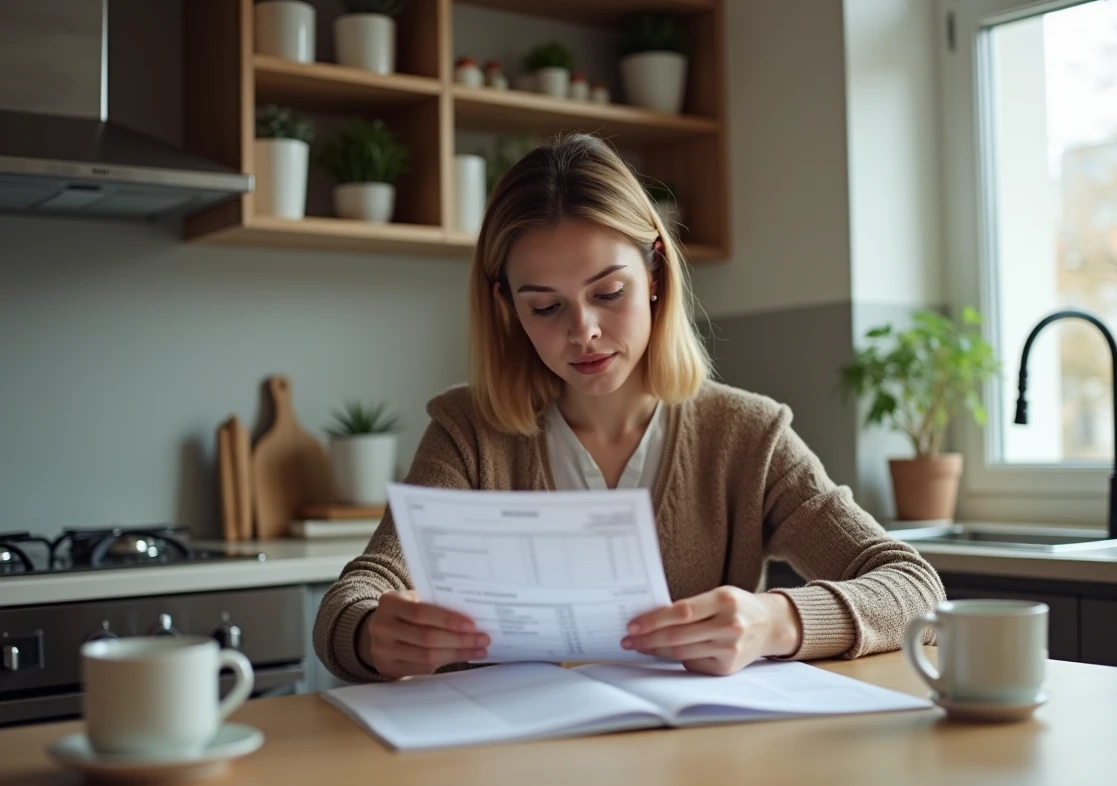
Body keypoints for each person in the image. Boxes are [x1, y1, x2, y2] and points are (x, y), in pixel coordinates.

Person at [314, 133, 943, 683]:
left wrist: (774, 620)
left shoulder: (748, 435)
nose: (582, 331)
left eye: (608, 292)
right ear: (507, 307)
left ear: (657, 278)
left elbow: (915, 588)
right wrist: (372, 634)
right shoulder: (467, 433)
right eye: (545, 307)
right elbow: (354, 597)